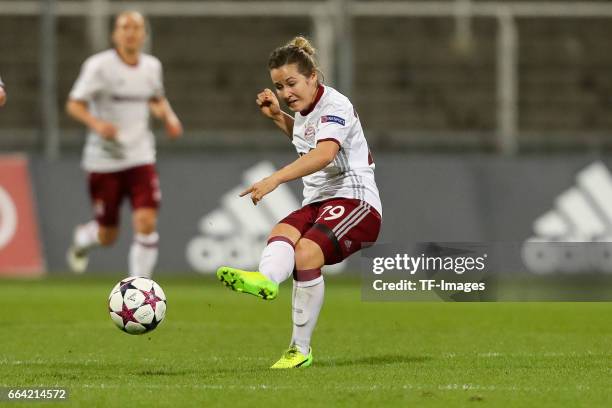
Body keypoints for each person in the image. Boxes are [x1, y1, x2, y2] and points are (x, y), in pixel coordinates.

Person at [217, 36, 382, 369]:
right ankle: (266, 279)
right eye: (279, 86)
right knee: (282, 231)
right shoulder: (303, 111)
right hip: (319, 200)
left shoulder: (335, 105)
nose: (285, 92)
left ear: (313, 77)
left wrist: (275, 178)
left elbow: (324, 153)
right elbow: (308, 139)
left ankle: (300, 350)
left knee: (306, 251)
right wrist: (279, 117)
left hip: (355, 200)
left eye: (291, 83)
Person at [66, 11, 183, 277]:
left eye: (136, 27)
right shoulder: (98, 66)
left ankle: (138, 288)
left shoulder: (152, 66)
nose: (130, 32)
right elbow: (74, 104)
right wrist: (97, 125)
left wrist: (170, 118)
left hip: (141, 156)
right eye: (124, 27)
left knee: (146, 221)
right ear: (115, 34)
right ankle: (84, 237)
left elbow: (156, 98)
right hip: (104, 160)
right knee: (108, 235)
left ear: (144, 35)